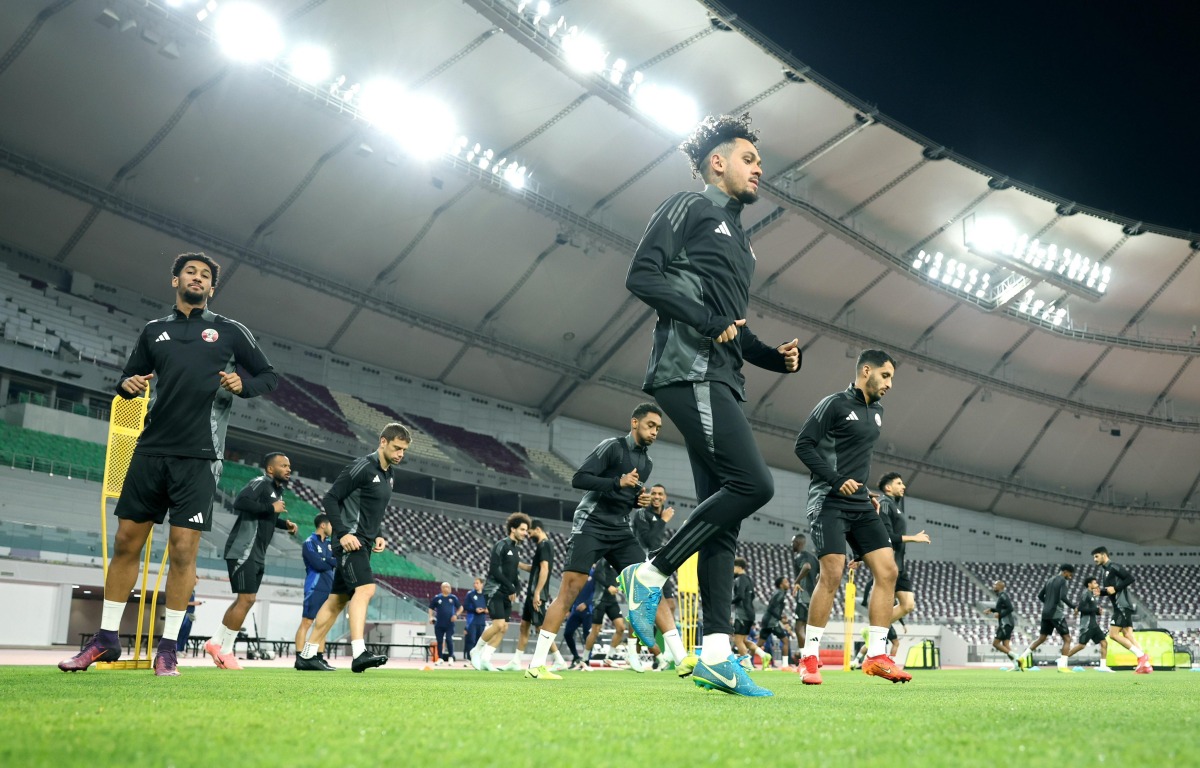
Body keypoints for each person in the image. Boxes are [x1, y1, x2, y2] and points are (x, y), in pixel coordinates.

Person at [620, 113, 801, 698]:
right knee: (755, 484)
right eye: (750, 159)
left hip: (720, 375)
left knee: (722, 516)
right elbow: (642, 276)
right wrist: (706, 321)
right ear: (717, 163)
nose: (759, 169)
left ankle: (718, 654)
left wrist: (772, 356)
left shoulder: (741, 241)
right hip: (687, 369)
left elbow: (733, 325)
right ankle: (648, 574)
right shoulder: (686, 206)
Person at [60, 253, 278, 676]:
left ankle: (167, 649)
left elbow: (268, 376)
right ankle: (106, 640)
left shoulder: (230, 331)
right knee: (126, 542)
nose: (198, 278)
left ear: (212, 288)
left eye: (206, 276)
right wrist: (127, 384)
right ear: (175, 279)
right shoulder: (152, 331)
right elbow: (128, 382)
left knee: (183, 552)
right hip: (150, 450)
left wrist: (243, 384)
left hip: (199, 455)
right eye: (191, 272)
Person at [521, 404, 689, 682]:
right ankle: (537, 665)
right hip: (590, 524)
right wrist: (617, 481)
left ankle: (682, 659)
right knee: (570, 590)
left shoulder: (647, 464)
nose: (655, 431)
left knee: (651, 584)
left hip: (620, 529)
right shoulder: (612, 447)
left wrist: (638, 501)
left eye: (658, 428)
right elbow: (579, 479)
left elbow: (624, 497)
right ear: (634, 422)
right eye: (650, 425)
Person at [793, 349, 909, 685]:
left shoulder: (878, 412)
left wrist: (865, 491)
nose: (889, 384)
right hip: (828, 499)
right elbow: (803, 445)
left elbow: (857, 458)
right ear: (866, 371)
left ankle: (876, 656)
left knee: (888, 571)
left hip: (860, 502)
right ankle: (809, 659)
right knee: (831, 572)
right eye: (885, 376)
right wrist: (835, 480)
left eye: (891, 379)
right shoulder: (834, 404)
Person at [295, 423, 410, 673]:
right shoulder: (362, 467)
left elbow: (372, 509)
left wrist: (378, 534)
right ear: (383, 442)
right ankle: (359, 652)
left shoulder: (389, 474)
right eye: (397, 447)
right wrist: (343, 532)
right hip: (350, 541)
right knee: (366, 589)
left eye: (404, 450)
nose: (401, 454)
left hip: (365, 542)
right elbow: (330, 498)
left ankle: (307, 655)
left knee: (337, 599)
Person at [205, 452, 298, 670]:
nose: (288, 469)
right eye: (283, 465)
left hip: (256, 551)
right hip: (244, 548)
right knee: (246, 600)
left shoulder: (276, 490)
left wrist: (284, 524)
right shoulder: (260, 483)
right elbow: (241, 502)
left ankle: (215, 642)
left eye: (289, 466)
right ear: (270, 469)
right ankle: (226, 652)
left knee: (244, 600)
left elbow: (266, 517)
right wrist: (270, 508)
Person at [470, 513, 531, 672]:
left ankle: (485, 660)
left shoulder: (516, 550)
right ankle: (476, 651)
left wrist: (516, 589)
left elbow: (514, 574)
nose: (526, 533)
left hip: (506, 592)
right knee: (498, 624)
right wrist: (510, 587)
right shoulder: (501, 545)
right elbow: (494, 570)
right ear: (513, 529)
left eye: (526, 530)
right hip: (494, 589)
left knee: (503, 628)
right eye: (523, 529)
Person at [505, 520, 568, 672]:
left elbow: (545, 569)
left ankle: (559, 660)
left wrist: (538, 592)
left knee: (541, 628)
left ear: (538, 529)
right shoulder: (542, 546)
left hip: (537, 593)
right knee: (524, 626)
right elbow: (535, 569)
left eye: (530, 532)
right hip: (532, 593)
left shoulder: (545, 545)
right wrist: (517, 563)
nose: (528, 535)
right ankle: (516, 661)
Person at [875, 472, 930, 626]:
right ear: (888, 487)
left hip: (899, 564)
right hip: (888, 563)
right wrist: (913, 538)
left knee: (908, 605)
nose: (903, 486)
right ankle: (874, 635)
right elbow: (886, 537)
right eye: (899, 483)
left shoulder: (895, 506)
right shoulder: (884, 503)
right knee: (886, 605)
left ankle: (874, 632)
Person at [631, 484, 677, 663]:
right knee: (641, 612)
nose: (657, 496)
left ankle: (664, 651)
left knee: (671, 606)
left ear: (665, 498)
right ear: (649, 496)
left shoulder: (659, 516)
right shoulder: (642, 514)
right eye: (654, 493)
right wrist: (664, 520)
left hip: (659, 565)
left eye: (660, 494)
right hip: (644, 566)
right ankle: (634, 653)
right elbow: (650, 541)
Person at [1092, 546, 1152, 673]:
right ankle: (1146, 665)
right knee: (1128, 635)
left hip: (1122, 605)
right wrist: (1101, 592)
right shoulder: (1104, 571)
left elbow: (1130, 578)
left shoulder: (1114, 566)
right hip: (1120, 606)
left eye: (1096, 556)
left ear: (1104, 555)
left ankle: (1141, 656)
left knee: (1113, 634)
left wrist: (1116, 588)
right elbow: (1111, 590)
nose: (1094, 559)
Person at [293, 514, 337, 670]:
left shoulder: (331, 544)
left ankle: (318, 658)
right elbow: (318, 564)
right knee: (307, 621)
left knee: (322, 623)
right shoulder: (309, 542)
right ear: (323, 525)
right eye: (331, 524)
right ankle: (300, 658)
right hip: (314, 586)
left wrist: (328, 561)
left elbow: (336, 561)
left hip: (328, 586)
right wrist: (329, 561)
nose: (334, 528)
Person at [1017, 564, 1077, 671]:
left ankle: (1022, 657)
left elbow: (1040, 596)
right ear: (1065, 571)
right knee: (1067, 639)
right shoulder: (1063, 581)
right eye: (1070, 574)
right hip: (1056, 613)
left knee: (1041, 638)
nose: (1070, 577)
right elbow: (1063, 597)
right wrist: (1073, 607)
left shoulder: (1049, 580)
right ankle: (1062, 667)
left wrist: (1048, 604)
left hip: (1045, 613)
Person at [583, 561, 632, 670]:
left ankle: (609, 657)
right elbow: (596, 574)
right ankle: (585, 659)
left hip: (612, 601)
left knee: (621, 628)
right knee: (595, 630)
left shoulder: (617, 561)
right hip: (600, 600)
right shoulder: (604, 560)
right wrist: (608, 586)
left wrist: (620, 586)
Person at [1063, 577, 1113, 672]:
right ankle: (1063, 659)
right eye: (1094, 582)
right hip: (1087, 625)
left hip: (1094, 624)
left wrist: (1098, 612)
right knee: (1081, 646)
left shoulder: (1093, 595)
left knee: (1104, 643)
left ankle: (1103, 666)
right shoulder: (1086, 594)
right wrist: (1095, 610)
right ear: (1089, 584)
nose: (1097, 584)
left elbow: (1091, 610)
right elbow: (1081, 608)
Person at [731, 558, 769, 669]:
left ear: (739, 567)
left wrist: (729, 602)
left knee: (737, 640)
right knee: (744, 640)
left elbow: (740, 596)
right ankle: (764, 655)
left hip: (742, 613)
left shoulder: (740, 579)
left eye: (733, 567)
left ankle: (748, 666)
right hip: (750, 612)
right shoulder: (749, 579)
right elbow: (752, 596)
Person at [791, 533, 819, 659]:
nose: (792, 545)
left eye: (793, 542)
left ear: (797, 543)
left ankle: (805, 657)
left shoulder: (800, 556)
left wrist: (796, 581)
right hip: (812, 596)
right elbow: (819, 575)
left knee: (798, 628)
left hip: (804, 595)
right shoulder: (813, 557)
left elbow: (806, 567)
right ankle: (813, 655)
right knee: (809, 629)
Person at [983, 580, 1021, 670]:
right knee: (1006, 646)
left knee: (995, 643)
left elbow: (1010, 608)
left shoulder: (1003, 595)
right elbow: (1001, 608)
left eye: (995, 585)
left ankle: (1015, 656)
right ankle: (1016, 666)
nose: (993, 586)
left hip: (1005, 623)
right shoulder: (1001, 596)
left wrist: (1000, 615)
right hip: (1008, 623)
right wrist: (991, 610)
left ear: (1000, 586)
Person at [563, 569, 595, 669]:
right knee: (567, 633)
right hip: (575, 610)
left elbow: (597, 591)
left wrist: (587, 603)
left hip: (588, 611)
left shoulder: (594, 573)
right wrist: (568, 609)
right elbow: (571, 591)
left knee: (588, 635)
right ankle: (576, 657)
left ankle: (586, 660)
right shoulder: (577, 572)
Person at [428, 583, 463, 665]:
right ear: (442, 588)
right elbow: (430, 608)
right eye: (445, 587)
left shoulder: (453, 598)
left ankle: (451, 657)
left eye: (448, 587)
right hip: (439, 623)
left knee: (448, 639)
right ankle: (440, 658)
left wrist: (456, 615)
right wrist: (430, 617)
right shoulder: (437, 598)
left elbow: (461, 608)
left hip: (449, 623)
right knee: (439, 641)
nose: (447, 588)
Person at [759, 576, 790, 667]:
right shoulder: (780, 593)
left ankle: (747, 661)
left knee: (759, 644)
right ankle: (785, 665)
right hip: (771, 622)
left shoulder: (779, 593)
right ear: (781, 585)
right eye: (786, 582)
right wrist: (780, 618)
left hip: (768, 620)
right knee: (785, 641)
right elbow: (771, 608)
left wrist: (781, 616)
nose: (788, 583)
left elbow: (774, 608)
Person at [462, 578, 488, 668]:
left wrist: (486, 610)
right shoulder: (470, 594)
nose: (475, 584)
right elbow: (465, 606)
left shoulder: (485, 595)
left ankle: (477, 659)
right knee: (471, 640)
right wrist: (475, 609)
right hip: (472, 620)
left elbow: (489, 606)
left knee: (479, 641)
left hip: (481, 621)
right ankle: (469, 659)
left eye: (477, 583)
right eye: (474, 583)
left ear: (482, 584)